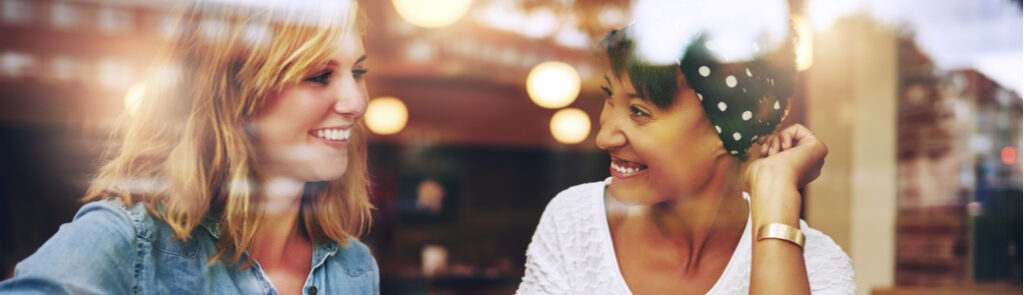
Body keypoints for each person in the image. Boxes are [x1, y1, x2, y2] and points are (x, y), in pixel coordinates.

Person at [0, 0, 378, 294]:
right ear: (233, 93)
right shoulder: (127, 243)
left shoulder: (354, 266)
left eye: (357, 73)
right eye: (319, 76)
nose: (356, 102)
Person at [516, 23, 856, 294]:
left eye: (639, 111)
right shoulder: (575, 222)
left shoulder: (813, 266)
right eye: (609, 97)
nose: (604, 137)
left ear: (728, 131)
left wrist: (776, 193)